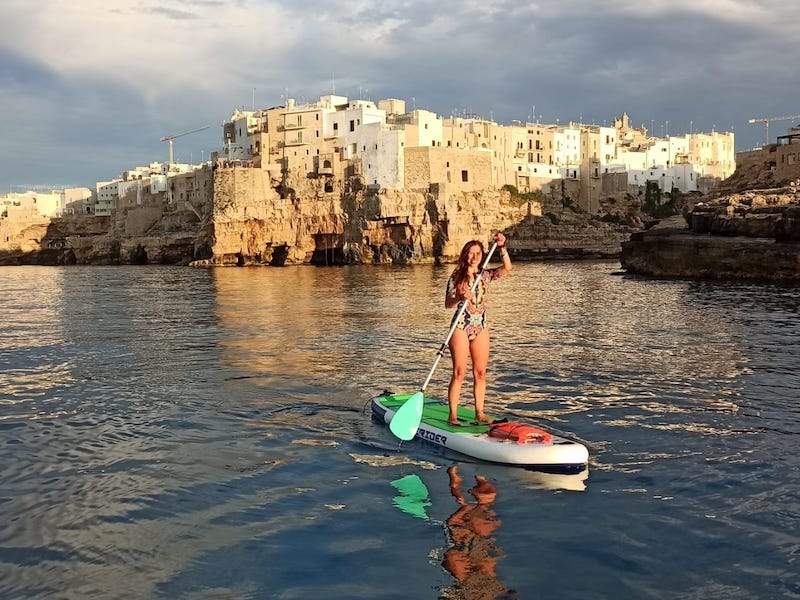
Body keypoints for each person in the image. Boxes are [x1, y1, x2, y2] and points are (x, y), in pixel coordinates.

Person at [444, 233, 511, 426]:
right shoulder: (456, 276)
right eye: (471, 253)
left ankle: (479, 413)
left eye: (478, 253)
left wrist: (502, 247)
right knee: (459, 372)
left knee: (480, 373)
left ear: (482, 255)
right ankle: (453, 416)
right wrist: (459, 297)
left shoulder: (486, 275)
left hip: (480, 326)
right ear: (465, 255)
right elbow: (448, 303)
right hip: (460, 326)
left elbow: (507, 268)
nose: (474, 257)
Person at [442, 466, 512, 600]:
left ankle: (459, 480)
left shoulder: (464, 569)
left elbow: (453, 555)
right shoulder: (484, 572)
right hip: (476, 559)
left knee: (467, 511)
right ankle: (469, 479)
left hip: (468, 551)